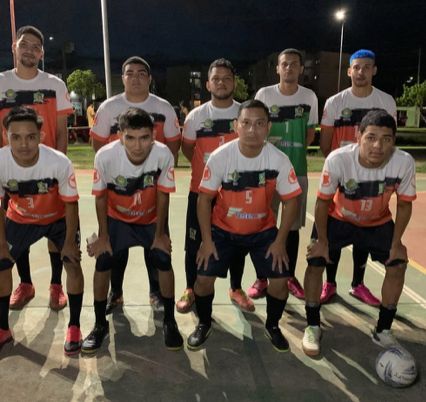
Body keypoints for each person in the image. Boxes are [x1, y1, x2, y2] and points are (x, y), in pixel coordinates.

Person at [187, 100, 301, 351]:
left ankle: (272, 325)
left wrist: (280, 241)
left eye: (259, 124)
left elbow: (291, 201)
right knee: (202, 279)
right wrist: (207, 241)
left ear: (268, 127)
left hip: (262, 232)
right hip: (223, 231)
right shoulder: (221, 157)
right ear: (236, 126)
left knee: (280, 281)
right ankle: (204, 323)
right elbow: (204, 200)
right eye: (246, 123)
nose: (252, 130)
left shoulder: (279, 160)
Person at [302, 109, 416, 357]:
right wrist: (322, 241)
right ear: (358, 136)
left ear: (394, 141)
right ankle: (312, 325)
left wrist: (396, 242)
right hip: (338, 218)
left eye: (386, 139)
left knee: (397, 264)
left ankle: (383, 329)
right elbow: (322, 202)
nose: (378, 146)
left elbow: (404, 205)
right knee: (315, 260)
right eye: (371, 137)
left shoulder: (403, 162)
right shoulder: (339, 159)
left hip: (377, 221)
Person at [82, 107, 183, 353]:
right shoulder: (105, 157)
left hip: (150, 219)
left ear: (154, 135)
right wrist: (103, 236)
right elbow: (100, 197)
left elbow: (163, 195)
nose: (138, 146)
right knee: (103, 261)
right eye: (130, 138)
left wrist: (160, 234)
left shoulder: (163, 154)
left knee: (163, 258)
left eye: (144, 138)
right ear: (120, 136)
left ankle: (170, 321)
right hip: (118, 219)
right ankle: (99, 324)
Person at [89, 56, 181, 313]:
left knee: (157, 248)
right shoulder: (109, 107)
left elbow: (173, 145)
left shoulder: (163, 107)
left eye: (142, 73)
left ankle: (156, 292)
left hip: (151, 187)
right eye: (130, 73)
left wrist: (155, 171)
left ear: (149, 79)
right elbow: (98, 144)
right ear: (123, 78)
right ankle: (116, 293)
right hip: (118, 189)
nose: (136, 78)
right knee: (115, 251)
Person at [0, 25, 73, 312]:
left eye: (35, 47)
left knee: (56, 230)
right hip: (10, 172)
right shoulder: (1, 83)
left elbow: (62, 131)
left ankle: (56, 285)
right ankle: (26, 283)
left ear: (41, 53)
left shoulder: (55, 85)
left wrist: (60, 169)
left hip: (48, 171)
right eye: (24, 44)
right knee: (17, 228)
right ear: (14, 48)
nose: (29, 50)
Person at [0, 106, 84, 354]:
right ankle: (3, 329)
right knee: (1, 265)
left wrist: (70, 243)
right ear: (5, 136)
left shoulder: (58, 162)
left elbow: (71, 204)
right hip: (20, 219)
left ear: (41, 136)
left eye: (30, 137)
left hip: (58, 219)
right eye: (16, 137)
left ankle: (74, 326)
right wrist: (1, 244)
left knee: (72, 263)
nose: (23, 144)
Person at [319, 49, 397, 306]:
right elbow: (325, 143)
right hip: (341, 176)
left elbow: (389, 140)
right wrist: (342, 166)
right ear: (349, 71)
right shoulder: (335, 102)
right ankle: (330, 283)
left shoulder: (386, 101)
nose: (361, 72)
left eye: (366, 67)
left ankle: (357, 284)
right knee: (334, 228)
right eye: (357, 67)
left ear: (374, 70)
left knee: (365, 223)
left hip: (373, 175)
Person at [177, 58, 251, 314]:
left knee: (238, 242)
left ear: (234, 83)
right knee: (193, 243)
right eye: (216, 79)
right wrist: (207, 171)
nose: (221, 83)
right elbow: (188, 149)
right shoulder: (196, 116)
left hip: (234, 193)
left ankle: (236, 287)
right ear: (208, 84)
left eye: (227, 78)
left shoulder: (244, 114)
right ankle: (190, 288)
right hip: (201, 192)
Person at [252, 48, 318, 300]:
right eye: (284, 64)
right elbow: (257, 127)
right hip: (266, 171)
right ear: (278, 68)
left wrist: (292, 152)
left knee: (291, 228)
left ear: (301, 68)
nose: (289, 68)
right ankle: (262, 277)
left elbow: (309, 134)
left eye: (294, 64)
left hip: (296, 171)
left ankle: (288, 276)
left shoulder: (309, 96)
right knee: (263, 224)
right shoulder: (264, 94)